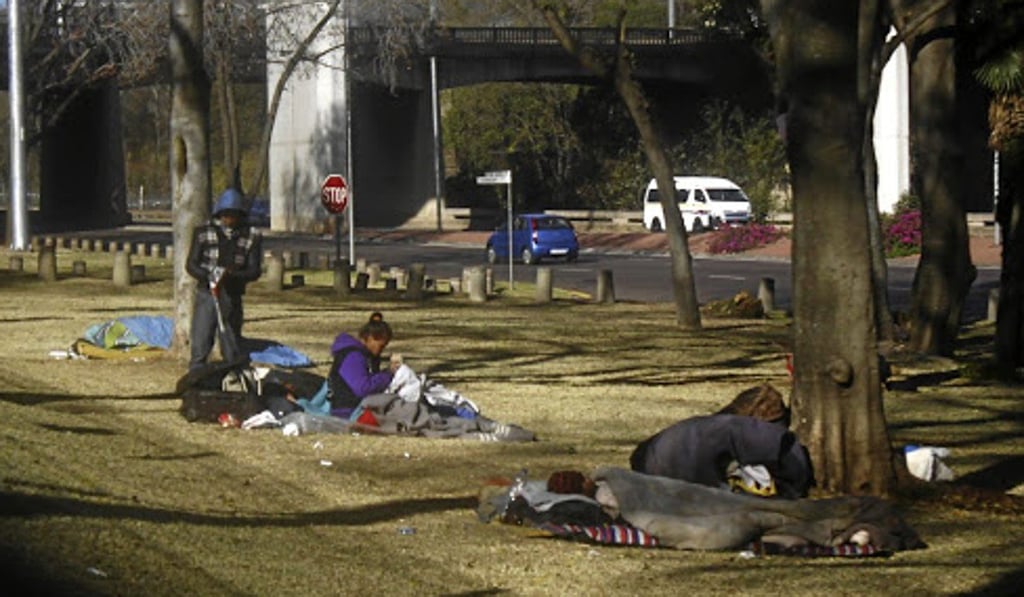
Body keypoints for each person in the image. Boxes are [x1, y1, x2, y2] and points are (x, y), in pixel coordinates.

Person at [186, 188, 263, 371]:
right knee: (202, 337)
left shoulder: (251, 235)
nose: (229, 220)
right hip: (207, 293)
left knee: (231, 340)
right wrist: (209, 276)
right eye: (225, 215)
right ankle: (197, 372)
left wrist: (232, 275)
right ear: (219, 214)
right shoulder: (203, 232)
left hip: (232, 294)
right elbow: (191, 264)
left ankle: (233, 374)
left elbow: (254, 270)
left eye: (233, 215)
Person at [325, 312, 399, 417]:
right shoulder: (353, 357)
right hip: (348, 411)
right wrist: (388, 374)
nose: (381, 351)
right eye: (381, 346)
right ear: (369, 337)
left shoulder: (366, 356)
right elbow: (363, 389)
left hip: (355, 408)